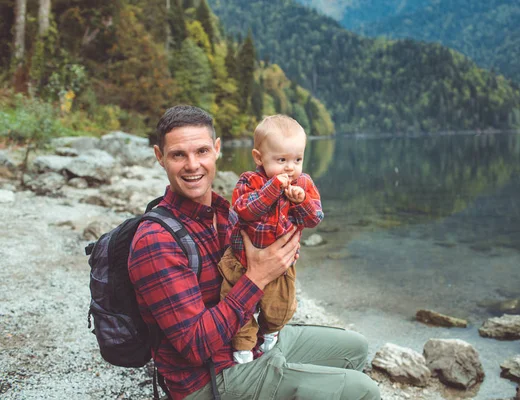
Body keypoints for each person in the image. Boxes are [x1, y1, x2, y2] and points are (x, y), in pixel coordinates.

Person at [128, 105, 380, 400]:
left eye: (202, 151)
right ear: (160, 157)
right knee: (363, 391)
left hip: (252, 342)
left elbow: (296, 223)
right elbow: (195, 346)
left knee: (356, 349)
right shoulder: (155, 240)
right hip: (209, 378)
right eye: (178, 155)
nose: (193, 165)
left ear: (217, 150)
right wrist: (258, 276)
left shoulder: (225, 213)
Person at [219, 115, 324, 365]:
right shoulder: (249, 181)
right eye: (282, 160)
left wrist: (301, 202)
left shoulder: (303, 183)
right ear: (259, 157)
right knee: (236, 304)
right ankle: (243, 345)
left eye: (297, 159)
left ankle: (270, 331)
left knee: (280, 307)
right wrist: (273, 188)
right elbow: (244, 209)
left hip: (280, 266)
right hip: (241, 260)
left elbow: (315, 219)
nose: (290, 167)